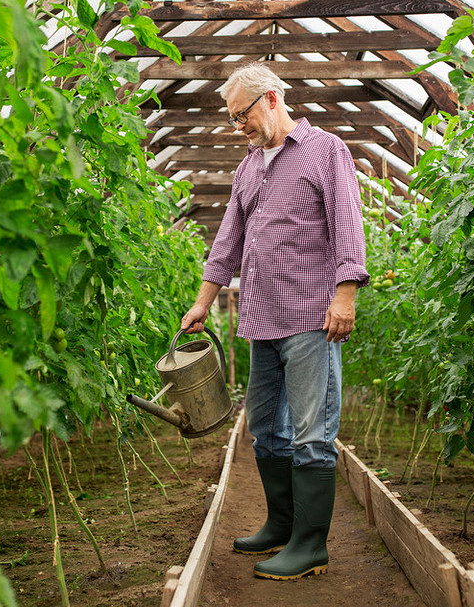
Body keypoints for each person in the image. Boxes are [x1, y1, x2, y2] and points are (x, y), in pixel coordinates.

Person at [180, 62, 369, 581]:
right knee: (264, 428)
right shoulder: (247, 168)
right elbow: (228, 240)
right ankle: (282, 525)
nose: (237, 125)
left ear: (271, 99)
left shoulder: (326, 150)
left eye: (241, 114)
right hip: (262, 318)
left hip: (311, 317)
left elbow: (347, 223)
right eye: (231, 118)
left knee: (312, 432)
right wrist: (203, 301)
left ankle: (310, 546)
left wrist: (345, 295)